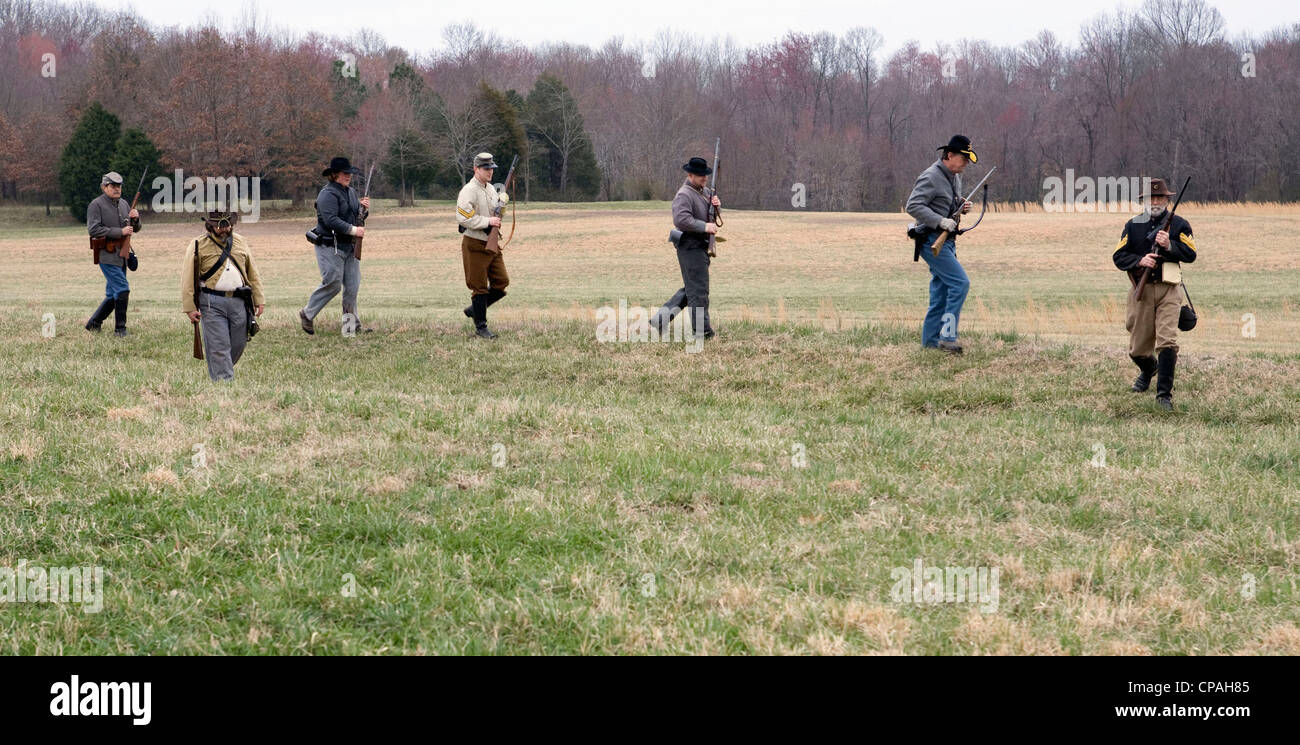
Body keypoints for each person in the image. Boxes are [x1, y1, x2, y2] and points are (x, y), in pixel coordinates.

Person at [1113, 178, 1197, 411]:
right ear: (1145, 201)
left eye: (1160, 197)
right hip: (1141, 289)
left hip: (1169, 289)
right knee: (1138, 349)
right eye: (1152, 198)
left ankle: (1164, 396)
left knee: (1167, 341)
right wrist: (1140, 260)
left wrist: (1169, 245)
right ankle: (1149, 369)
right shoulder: (1132, 225)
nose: (1156, 201)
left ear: (1167, 200)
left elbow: (1191, 254)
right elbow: (1118, 257)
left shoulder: (1180, 224)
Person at [906, 135, 977, 354]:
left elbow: (944, 200)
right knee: (960, 284)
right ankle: (947, 337)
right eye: (963, 158)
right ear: (949, 155)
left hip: (947, 241)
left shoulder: (954, 176)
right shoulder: (930, 176)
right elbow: (913, 205)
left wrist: (961, 205)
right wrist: (939, 220)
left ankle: (929, 342)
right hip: (931, 241)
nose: (966, 163)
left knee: (942, 291)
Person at [181, 210, 265, 381]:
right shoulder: (198, 244)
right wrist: (189, 307)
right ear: (210, 226)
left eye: (227, 226)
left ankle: (221, 370)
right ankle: (224, 382)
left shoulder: (241, 241)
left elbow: (252, 273)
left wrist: (259, 299)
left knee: (238, 343)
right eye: (220, 227)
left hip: (240, 301)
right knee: (219, 346)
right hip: (211, 302)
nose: (224, 229)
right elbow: (188, 277)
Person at [649, 156, 721, 340]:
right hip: (690, 246)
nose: (704, 178)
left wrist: (717, 207)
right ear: (690, 175)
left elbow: (710, 217)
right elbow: (681, 219)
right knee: (699, 291)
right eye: (700, 175)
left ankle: (659, 320)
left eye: (705, 175)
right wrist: (704, 227)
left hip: (699, 247)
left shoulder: (704, 192)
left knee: (692, 288)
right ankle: (702, 333)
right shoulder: (684, 194)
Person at [300, 156, 370, 335]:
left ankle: (350, 327)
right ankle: (307, 314)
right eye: (345, 173)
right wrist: (354, 230)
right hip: (330, 246)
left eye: (349, 173)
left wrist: (363, 210)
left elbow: (355, 216)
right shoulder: (327, 194)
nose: (349, 176)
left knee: (352, 287)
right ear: (335, 174)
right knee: (333, 283)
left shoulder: (351, 192)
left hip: (349, 246)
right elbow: (331, 220)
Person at [456, 152, 511, 339]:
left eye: (491, 169)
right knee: (478, 286)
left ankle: (475, 309)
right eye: (486, 169)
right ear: (476, 169)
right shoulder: (469, 190)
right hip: (475, 242)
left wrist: (502, 205)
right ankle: (481, 327)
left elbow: (496, 213)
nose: (490, 172)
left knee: (502, 281)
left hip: (491, 242)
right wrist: (488, 222)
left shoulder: (489, 189)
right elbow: (463, 217)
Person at [85, 171, 140, 336]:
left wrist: (136, 219)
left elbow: (134, 229)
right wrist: (120, 231)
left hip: (122, 255)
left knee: (113, 294)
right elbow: (93, 229)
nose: (117, 189)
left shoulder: (124, 204)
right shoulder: (96, 205)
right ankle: (120, 330)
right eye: (113, 186)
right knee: (122, 290)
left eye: (119, 186)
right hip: (106, 254)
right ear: (104, 187)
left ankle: (94, 323)